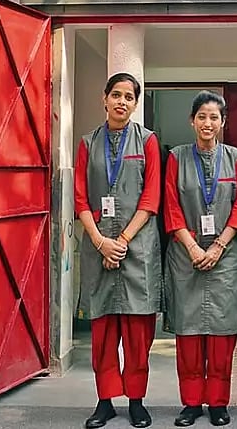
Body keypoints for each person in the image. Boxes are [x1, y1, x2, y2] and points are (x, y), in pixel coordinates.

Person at [74, 72, 162, 429]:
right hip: (98, 246)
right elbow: (80, 196)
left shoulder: (149, 142)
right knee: (104, 329)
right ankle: (105, 400)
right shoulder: (87, 143)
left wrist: (122, 240)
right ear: (104, 98)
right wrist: (100, 241)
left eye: (129, 97)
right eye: (116, 95)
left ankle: (137, 400)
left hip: (137, 248)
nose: (122, 102)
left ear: (136, 104)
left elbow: (151, 195)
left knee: (138, 330)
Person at [162, 91, 237, 427]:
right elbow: (171, 205)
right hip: (186, 257)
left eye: (214, 117)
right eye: (202, 117)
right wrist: (194, 247)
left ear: (223, 122)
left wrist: (217, 247)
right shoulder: (177, 158)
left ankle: (217, 402)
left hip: (226, 258)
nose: (208, 123)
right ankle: (191, 402)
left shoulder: (236, 158)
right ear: (192, 120)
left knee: (221, 334)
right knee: (188, 333)